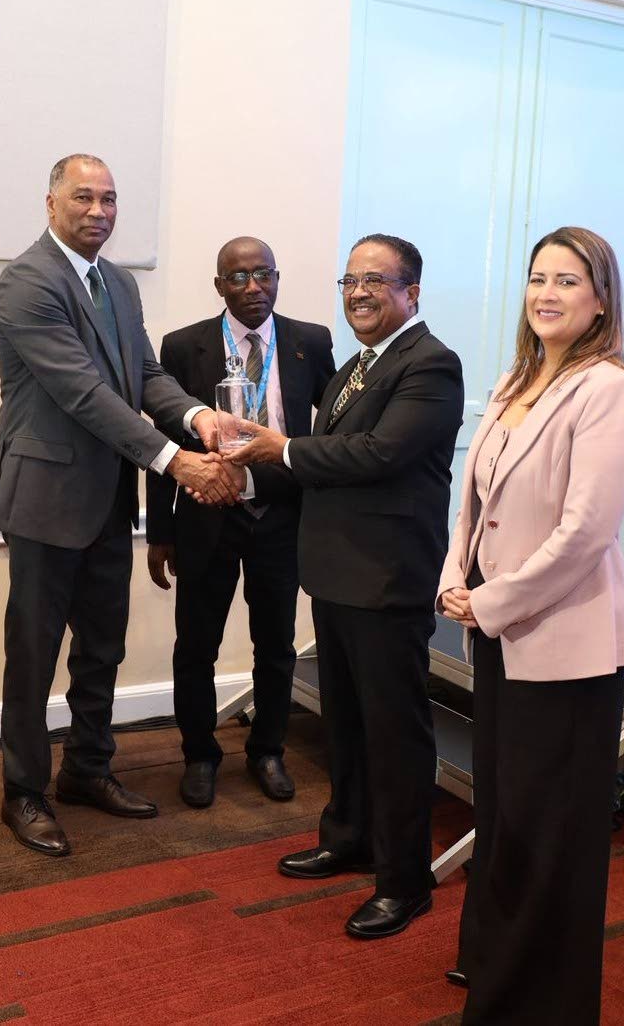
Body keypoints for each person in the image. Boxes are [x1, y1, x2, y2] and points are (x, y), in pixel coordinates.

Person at [0, 154, 238, 857]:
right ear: (50, 204)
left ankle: (87, 770)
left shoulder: (120, 284)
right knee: (34, 656)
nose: (98, 210)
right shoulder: (27, 282)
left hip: (106, 503)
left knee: (103, 646)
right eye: (83, 197)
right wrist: (171, 458)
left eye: (109, 199)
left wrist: (195, 419)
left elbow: (143, 377)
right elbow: (83, 394)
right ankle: (24, 791)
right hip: (44, 500)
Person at [438, 227, 624, 1024]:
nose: (547, 293)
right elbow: (476, 501)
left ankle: (540, 1003)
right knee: (501, 816)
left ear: (600, 298)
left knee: (548, 832)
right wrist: (455, 577)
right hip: (500, 632)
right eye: (537, 278)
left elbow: (585, 531)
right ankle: (493, 965)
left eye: (568, 280)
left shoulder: (613, 389)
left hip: (568, 642)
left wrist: (492, 601)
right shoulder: (514, 380)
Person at [223, 233, 464, 939]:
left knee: (393, 732)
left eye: (375, 281)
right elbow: (320, 464)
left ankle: (403, 879)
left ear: (410, 294)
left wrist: (280, 447)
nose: (358, 292)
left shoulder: (430, 364)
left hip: (387, 575)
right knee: (348, 723)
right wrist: (236, 462)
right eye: (349, 280)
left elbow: (377, 454)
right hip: (335, 570)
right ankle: (350, 835)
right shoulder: (358, 365)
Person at [145, 236, 336, 808]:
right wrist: (160, 531)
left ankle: (267, 749)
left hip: (280, 514)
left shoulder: (310, 341)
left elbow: (328, 431)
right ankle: (199, 754)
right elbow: (164, 441)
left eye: (264, 275)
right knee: (196, 644)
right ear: (219, 285)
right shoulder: (184, 347)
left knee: (275, 642)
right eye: (239, 277)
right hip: (208, 517)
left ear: (277, 278)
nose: (254, 288)